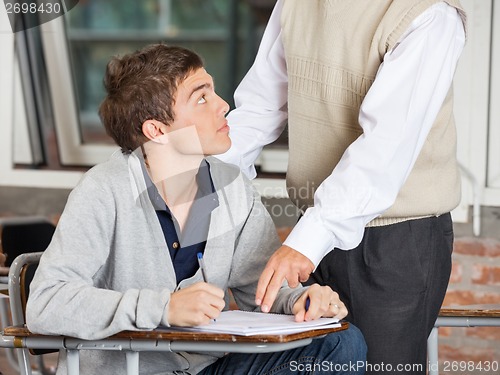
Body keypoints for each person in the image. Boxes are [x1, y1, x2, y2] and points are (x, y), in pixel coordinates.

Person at [25, 44, 366, 375]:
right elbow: (47, 304)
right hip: (129, 369)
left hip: (207, 367)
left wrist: (303, 301)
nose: (223, 106)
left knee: (341, 344)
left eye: (214, 93)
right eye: (201, 98)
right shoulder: (103, 189)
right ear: (156, 130)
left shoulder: (233, 187)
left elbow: (262, 289)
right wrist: (165, 307)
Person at [217, 1, 467, 373]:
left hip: (396, 241)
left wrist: (304, 242)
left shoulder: (430, 14)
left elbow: (383, 151)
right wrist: (195, 182)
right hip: (316, 230)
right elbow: (260, 107)